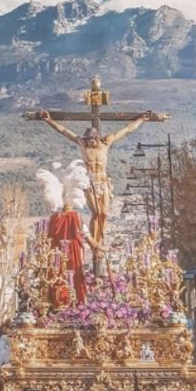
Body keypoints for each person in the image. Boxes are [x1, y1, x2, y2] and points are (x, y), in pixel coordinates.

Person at [39, 107, 156, 272]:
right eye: (88, 140)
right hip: (90, 184)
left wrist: (141, 119)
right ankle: (95, 245)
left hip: (103, 182)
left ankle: (99, 241)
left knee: (104, 214)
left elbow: (127, 129)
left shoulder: (106, 142)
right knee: (96, 214)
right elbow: (65, 131)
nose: (90, 142)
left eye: (92, 139)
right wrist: (49, 120)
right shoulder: (82, 144)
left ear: (97, 137)